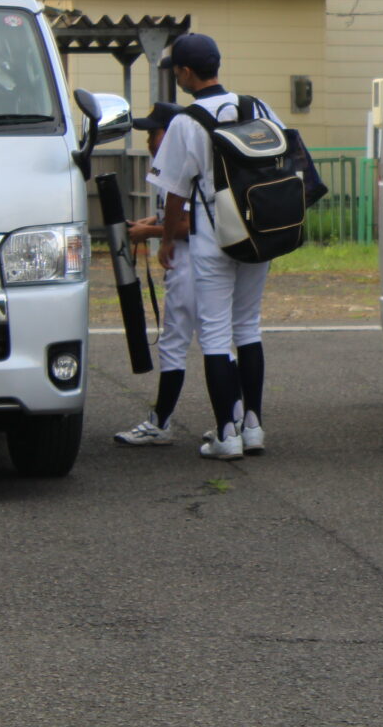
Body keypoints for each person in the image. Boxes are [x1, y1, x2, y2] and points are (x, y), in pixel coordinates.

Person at [150, 33, 276, 461]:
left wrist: (167, 240)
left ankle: (227, 434)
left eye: (178, 72)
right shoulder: (256, 106)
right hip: (258, 234)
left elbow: (173, 193)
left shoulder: (187, 122)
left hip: (212, 241)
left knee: (217, 336)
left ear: (186, 72)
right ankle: (253, 425)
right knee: (249, 328)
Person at [113, 103, 195, 447]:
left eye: (154, 133)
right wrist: (151, 223)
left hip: (190, 266)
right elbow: (173, 217)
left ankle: (160, 423)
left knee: (176, 345)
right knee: (216, 342)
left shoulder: (181, 169)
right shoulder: (172, 168)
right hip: (195, 267)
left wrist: (151, 235)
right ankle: (234, 422)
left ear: (172, 133)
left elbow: (191, 225)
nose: (149, 141)